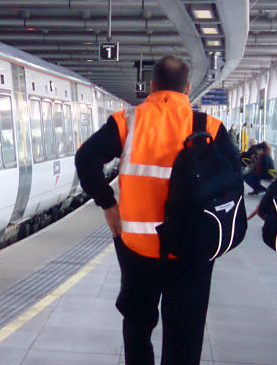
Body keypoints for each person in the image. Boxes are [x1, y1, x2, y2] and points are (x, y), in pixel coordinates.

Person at [75, 55, 240, 365]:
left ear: (151, 86)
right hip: (191, 251)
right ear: (188, 89)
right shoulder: (210, 127)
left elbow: (85, 158)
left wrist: (107, 203)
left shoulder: (127, 121)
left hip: (136, 245)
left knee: (137, 324)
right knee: (185, 332)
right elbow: (233, 183)